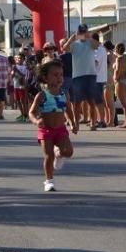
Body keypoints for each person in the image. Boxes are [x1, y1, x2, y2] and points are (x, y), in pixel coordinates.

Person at [28, 59, 78, 192]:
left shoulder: (64, 93)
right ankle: (49, 181)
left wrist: (73, 123)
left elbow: (68, 109)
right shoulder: (42, 95)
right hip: (46, 131)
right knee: (48, 156)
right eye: (55, 75)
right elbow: (31, 112)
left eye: (61, 75)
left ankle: (59, 154)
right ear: (45, 77)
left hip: (60, 129)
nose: (59, 78)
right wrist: (36, 121)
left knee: (69, 152)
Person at [61, 23, 111, 130]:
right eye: (81, 32)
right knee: (77, 102)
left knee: (91, 101)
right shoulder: (74, 44)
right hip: (78, 76)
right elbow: (64, 48)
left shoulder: (90, 43)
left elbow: (99, 45)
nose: (82, 34)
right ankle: (76, 123)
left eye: (84, 31)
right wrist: (71, 39)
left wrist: (89, 36)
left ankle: (93, 123)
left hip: (91, 75)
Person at [111, 43, 126, 129]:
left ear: (116, 50)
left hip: (120, 82)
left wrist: (115, 78)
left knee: (124, 104)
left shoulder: (119, 59)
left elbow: (117, 70)